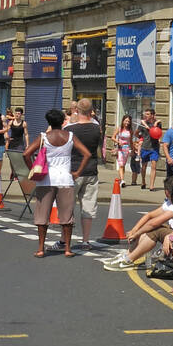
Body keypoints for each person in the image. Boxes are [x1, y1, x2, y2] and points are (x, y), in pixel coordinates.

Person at [24, 108, 88, 257]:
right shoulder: (71, 136)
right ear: (62, 121)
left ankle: (41, 249)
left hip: (45, 180)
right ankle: (67, 249)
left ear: (49, 122)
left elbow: (26, 154)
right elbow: (87, 153)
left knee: (42, 216)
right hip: (65, 179)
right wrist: (77, 172)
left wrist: (33, 170)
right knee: (66, 217)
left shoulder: (43, 137)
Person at [103, 184, 173, 273]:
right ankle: (128, 255)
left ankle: (128, 260)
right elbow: (150, 216)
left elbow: (153, 224)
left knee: (154, 231)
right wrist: (135, 230)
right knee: (150, 229)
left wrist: (137, 233)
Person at [66, 99, 104, 250]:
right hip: (91, 170)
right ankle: (85, 241)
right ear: (91, 111)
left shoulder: (70, 128)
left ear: (77, 111)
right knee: (88, 207)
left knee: (68, 207)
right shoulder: (97, 128)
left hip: (74, 171)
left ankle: (64, 240)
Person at [137, 108, 161, 191]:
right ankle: (143, 181)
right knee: (144, 166)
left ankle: (151, 186)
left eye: (147, 114)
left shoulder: (158, 124)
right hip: (145, 147)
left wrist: (156, 123)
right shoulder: (142, 124)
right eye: (145, 114)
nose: (145, 115)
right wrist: (141, 138)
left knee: (154, 166)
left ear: (152, 115)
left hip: (154, 148)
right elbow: (137, 133)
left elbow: (156, 132)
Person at [112, 115, 134, 186]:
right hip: (120, 149)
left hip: (126, 149)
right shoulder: (119, 128)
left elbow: (130, 141)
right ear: (123, 121)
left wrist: (132, 149)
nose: (127, 122)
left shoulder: (130, 131)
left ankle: (121, 178)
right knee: (121, 165)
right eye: (126, 121)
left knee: (123, 165)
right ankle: (122, 180)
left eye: (128, 121)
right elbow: (113, 137)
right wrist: (118, 142)